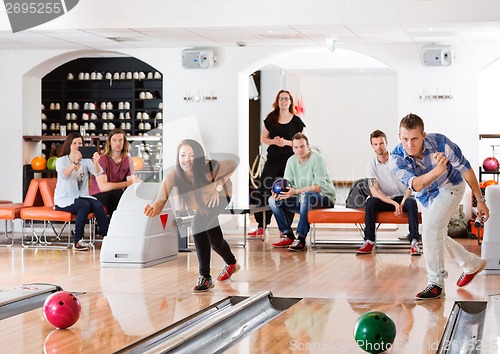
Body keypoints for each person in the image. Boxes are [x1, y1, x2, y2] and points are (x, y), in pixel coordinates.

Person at [389, 113, 489, 300]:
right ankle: (472, 263)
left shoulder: (441, 143)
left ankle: (435, 283)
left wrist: (480, 200)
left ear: (424, 136)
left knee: (430, 230)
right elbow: (416, 185)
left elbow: (466, 169)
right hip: (425, 196)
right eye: (405, 139)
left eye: (414, 139)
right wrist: (437, 170)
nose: (409, 144)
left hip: (450, 186)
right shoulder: (396, 159)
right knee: (437, 237)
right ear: (399, 137)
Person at [144, 139, 240, 292]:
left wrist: (219, 185)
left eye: (191, 155)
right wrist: (154, 208)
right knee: (215, 240)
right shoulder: (173, 175)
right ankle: (231, 262)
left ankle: (205, 277)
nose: (186, 159)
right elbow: (160, 200)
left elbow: (234, 163)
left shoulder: (209, 167)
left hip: (221, 195)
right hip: (203, 202)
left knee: (198, 224)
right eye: (182, 155)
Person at [249, 90, 306, 238]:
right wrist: (274, 141)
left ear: (290, 101)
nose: (283, 101)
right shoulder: (271, 118)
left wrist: (286, 142)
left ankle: (284, 227)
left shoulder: (296, 121)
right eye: (281, 98)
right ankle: (261, 225)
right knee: (264, 189)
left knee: (286, 192)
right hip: (273, 160)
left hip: (290, 161)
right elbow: (264, 138)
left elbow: (303, 141)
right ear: (278, 101)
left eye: (286, 98)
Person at [356, 130, 421, 256]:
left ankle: (414, 242)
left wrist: (401, 204)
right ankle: (369, 241)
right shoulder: (371, 165)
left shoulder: (398, 159)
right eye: (375, 144)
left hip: (404, 198)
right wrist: (393, 203)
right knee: (371, 202)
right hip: (387, 200)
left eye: (381, 143)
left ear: (386, 143)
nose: (379, 147)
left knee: (412, 202)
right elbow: (374, 191)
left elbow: (411, 185)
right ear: (372, 146)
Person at [269, 133, 336, 251]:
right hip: (303, 200)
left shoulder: (317, 158)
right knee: (272, 200)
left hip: (324, 199)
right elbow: (288, 186)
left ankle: (300, 238)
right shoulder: (291, 161)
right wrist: (280, 194)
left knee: (306, 195)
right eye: (296, 147)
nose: (299, 150)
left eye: (302, 146)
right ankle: (289, 236)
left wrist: (296, 191)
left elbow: (319, 187)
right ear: (292, 149)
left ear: (308, 146)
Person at [54, 133, 109, 251]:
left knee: (98, 204)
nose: (77, 145)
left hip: (81, 197)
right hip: (64, 199)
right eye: (74, 143)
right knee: (84, 205)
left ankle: (107, 237)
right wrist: (74, 163)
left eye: (80, 143)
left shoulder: (85, 161)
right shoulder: (61, 161)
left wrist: (95, 162)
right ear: (69, 145)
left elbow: (98, 172)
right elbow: (64, 175)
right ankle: (78, 241)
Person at [90, 128, 141, 218]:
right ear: (109, 142)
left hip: (115, 194)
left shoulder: (128, 160)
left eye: (120, 140)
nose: (118, 143)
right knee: (115, 195)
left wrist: (137, 183)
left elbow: (131, 184)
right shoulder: (102, 159)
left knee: (129, 196)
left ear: (124, 142)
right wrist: (127, 183)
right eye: (114, 140)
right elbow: (103, 187)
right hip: (97, 195)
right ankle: (114, 227)